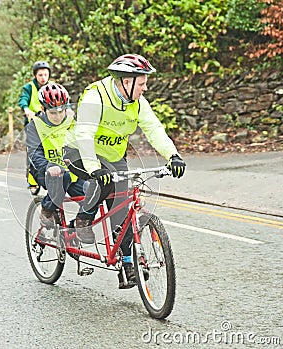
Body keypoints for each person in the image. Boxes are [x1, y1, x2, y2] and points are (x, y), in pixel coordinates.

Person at [63, 53, 186, 289]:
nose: (145, 88)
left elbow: (153, 128)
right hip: (79, 152)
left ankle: (128, 265)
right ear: (127, 82)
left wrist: (173, 155)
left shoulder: (137, 102)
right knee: (105, 182)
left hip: (113, 156)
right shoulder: (95, 96)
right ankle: (82, 221)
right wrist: (93, 167)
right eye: (142, 83)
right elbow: (85, 134)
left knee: (121, 207)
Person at [26, 83, 87, 227]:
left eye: (61, 111)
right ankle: (47, 209)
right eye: (53, 112)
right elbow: (34, 154)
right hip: (45, 171)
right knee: (62, 178)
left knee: (92, 197)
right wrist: (48, 166)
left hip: (70, 170)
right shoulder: (35, 125)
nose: (58, 116)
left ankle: (72, 229)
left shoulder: (71, 123)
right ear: (43, 109)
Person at [18, 61, 52, 192]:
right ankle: (32, 180)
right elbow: (23, 99)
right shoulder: (29, 87)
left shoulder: (52, 87)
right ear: (35, 75)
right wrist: (26, 109)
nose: (43, 77)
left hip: (47, 124)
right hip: (32, 123)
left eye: (45, 74)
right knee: (33, 150)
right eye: (40, 75)